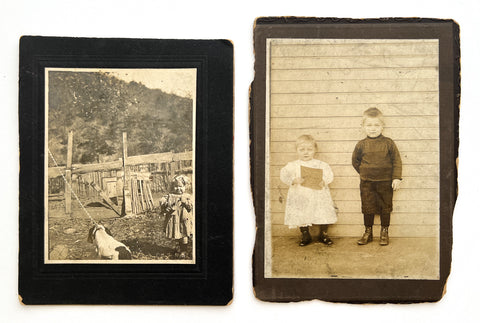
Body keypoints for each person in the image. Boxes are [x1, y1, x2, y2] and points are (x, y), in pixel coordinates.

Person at [352, 107, 402, 246]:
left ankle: (384, 232)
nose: (373, 128)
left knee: (385, 208)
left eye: (376, 125)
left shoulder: (388, 143)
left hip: (385, 182)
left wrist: (396, 178)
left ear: (382, 126)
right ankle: (368, 232)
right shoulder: (361, 144)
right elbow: (355, 161)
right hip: (367, 183)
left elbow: (397, 161)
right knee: (367, 207)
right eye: (369, 125)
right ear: (363, 126)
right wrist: (365, 172)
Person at [280, 135, 337, 246]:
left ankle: (323, 234)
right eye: (302, 150)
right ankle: (305, 235)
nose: (306, 153)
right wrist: (293, 180)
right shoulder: (293, 165)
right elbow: (283, 175)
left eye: (309, 149)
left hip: (318, 194)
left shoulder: (321, 164)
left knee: (323, 211)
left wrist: (324, 181)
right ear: (296, 150)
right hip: (301, 195)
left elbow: (329, 174)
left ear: (315, 150)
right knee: (301, 212)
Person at [160, 174, 193, 258]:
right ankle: (180, 248)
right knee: (177, 233)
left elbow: (191, 207)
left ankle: (184, 251)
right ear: (172, 187)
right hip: (174, 219)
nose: (178, 188)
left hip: (184, 219)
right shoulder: (170, 195)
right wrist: (163, 202)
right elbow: (163, 199)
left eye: (181, 186)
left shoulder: (187, 196)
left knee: (184, 234)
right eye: (176, 186)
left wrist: (185, 202)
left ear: (185, 186)